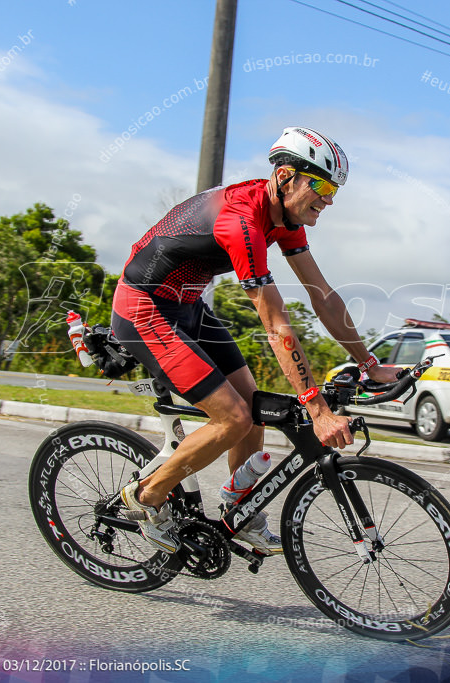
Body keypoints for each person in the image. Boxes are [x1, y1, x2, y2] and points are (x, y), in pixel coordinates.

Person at [111, 127, 400, 555]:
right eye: (320, 185)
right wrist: (316, 407)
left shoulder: (284, 218)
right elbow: (275, 321)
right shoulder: (241, 221)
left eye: (334, 189)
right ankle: (146, 497)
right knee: (233, 418)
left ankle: (240, 509)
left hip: (187, 307)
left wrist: (369, 363)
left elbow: (322, 295)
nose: (329, 199)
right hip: (144, 309)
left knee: (256, 408)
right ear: (285, 177)